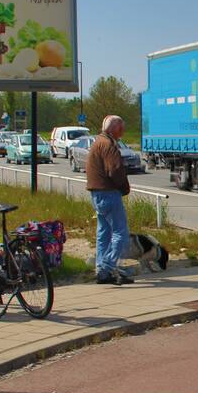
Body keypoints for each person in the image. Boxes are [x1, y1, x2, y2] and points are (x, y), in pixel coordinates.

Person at [86, 115, 133, 285]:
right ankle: (107, 266)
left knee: (104, 232)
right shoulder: (109, 145)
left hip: (97, 193)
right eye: (121, 128)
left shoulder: (98, 142)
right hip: (109, 193)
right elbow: (115, 170)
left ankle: (101, 268)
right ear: (115, 129)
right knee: (121, 232)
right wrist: (125, 187)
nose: (123, 132)